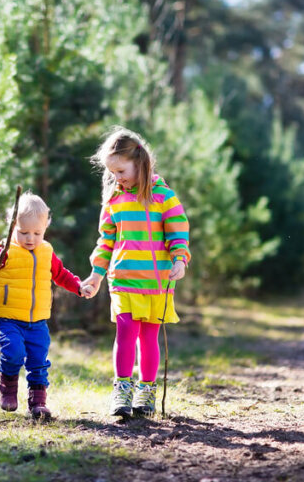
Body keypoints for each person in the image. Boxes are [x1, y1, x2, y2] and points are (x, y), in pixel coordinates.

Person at [81, 126, 190, 417]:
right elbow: (106, 241)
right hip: (124, 279)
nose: (117, 177)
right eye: (112, 173)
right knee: (126, 331)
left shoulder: (163, 195)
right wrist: (96, 274)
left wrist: (180, 258)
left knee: (148, 337)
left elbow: (178, 230)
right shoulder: (114, 200)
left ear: (139, 161)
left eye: (121, 170)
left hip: (156, 282)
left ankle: (147, 390)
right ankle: (122, 390)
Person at [0, 192, 87, 419]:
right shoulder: (5, 250)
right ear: (12, 226)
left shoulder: (46, 251)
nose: (30, 238)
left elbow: (60, 274)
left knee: (38, 360)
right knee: (13, 352)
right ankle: (8, 389)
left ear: (45, 228)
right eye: (24, 232)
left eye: (37, 233)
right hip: (9, 316)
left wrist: (78, 286)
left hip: (38, 320)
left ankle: (38, 403)